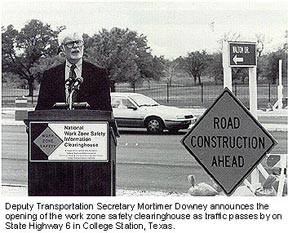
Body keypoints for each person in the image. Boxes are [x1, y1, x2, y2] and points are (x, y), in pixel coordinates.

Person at [35, 29, 112, 111]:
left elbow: (106, 110)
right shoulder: (50, 75)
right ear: (62, 48)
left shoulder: (99, 74)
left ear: (83, 46)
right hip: (58, 122)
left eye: (78, 42)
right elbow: (41, 110)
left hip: (89, 122)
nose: (75, 46)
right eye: (70, 43)